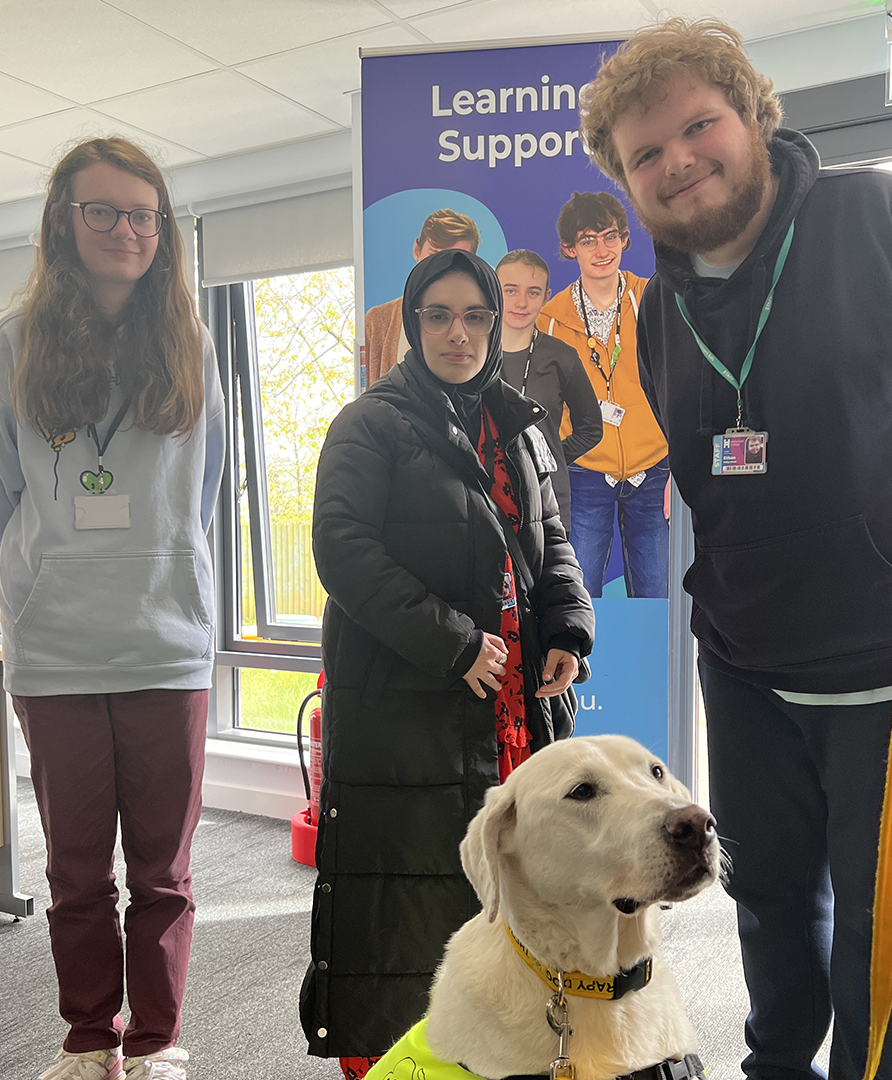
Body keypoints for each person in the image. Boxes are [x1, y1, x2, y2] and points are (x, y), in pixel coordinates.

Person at [581, 16, 892, 1080]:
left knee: (878, 922)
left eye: (698, 125)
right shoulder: (660, 310)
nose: (678, 162)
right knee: (763, 896)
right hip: (746, 663)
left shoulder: (888, 218)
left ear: (753, 115)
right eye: (645, 154)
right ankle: (778, 1068)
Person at [0, 137, 225, 1080]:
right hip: (59, 651)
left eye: (144, 215)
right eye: (103, 211)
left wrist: (152, 563)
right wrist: (55, 569)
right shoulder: (15, 342)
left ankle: (155, 1042)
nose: (127, 230)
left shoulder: (188, 342)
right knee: (78, 875)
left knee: (163, 873)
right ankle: (87, 1040)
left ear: (165, 233)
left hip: (166, 645)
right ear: (63, 223)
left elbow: (202, 496)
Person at [301, 249, 595, 1080]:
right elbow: (343, 552)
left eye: (475, 316)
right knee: (418, 902)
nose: (458, 333)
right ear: (413, 323)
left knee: (517, 893)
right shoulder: (371, 424)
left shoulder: (524, 426)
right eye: (439, 316)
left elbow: (555, 547)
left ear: (496, 324)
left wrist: (568, 630)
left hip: (513, 711)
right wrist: (455, 644)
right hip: (412, 708)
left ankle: (513, 1052)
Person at [537, 191, 670, 597]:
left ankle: (651, 664)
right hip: (585, 473)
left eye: (610, 236)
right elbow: (543, 406)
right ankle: (583, 665)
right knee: (577, 594)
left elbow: (680, 385)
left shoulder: (653, 299)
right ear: (569, 247)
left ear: (625, 239)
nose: (602, 249)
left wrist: (679, 467)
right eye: (588, 239)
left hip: (654, 469)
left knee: (658, 597)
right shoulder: (551, 319)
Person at [496, 249, 601, 531]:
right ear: (492, 291)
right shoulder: (471, 355)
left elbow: (591, 428)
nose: (521, 302)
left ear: (546, 296)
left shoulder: (561, 357)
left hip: (547, 504)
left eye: (533, 292)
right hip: (486, 502)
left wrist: (549, 457)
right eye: (510, 290)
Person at [363, 208, 481, 386]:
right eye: (434, 255)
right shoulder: (378, 321)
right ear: (416, 250)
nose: (442, 268)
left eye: (456, 259)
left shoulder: (486, 322)